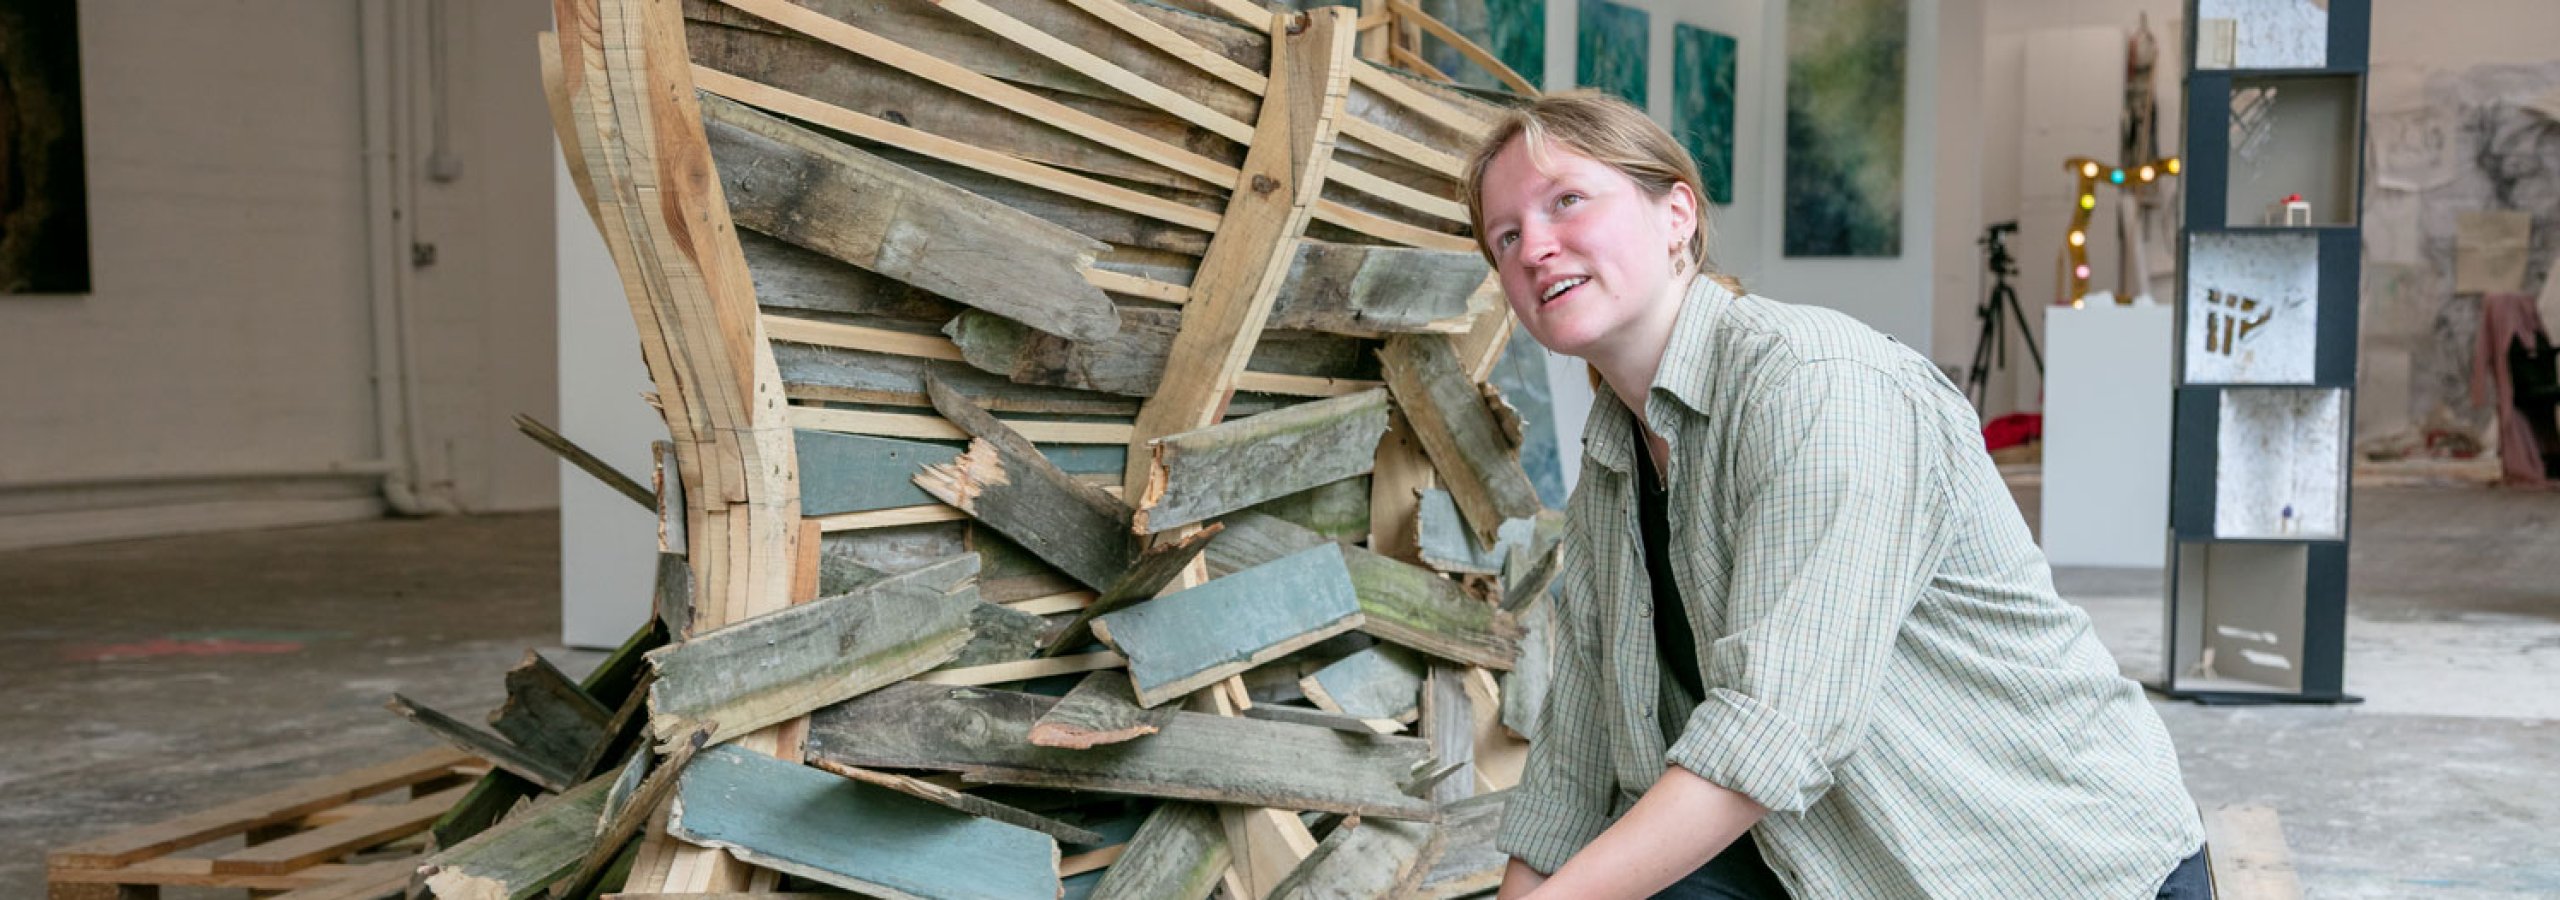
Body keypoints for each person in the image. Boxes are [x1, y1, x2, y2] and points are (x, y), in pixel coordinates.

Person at [1464, 91, 2210, 899]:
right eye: (1505, 237)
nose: (1534, 246)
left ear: (1676, 213)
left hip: (2039, 866)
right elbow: (1577, 753)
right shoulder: (1615, 458)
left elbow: (1772, 730)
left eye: (1566, 201)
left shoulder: (1817, 389)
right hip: (1830, 856)